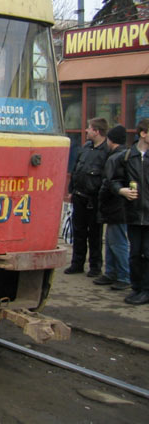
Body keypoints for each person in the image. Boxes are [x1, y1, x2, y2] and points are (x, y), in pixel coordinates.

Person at [65, 117, 109, 276]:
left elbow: (106, 177)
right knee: (79, 233)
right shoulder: (86, 147)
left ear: (97, 131)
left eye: (89, 128)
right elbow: (77, 169)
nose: (86, 131)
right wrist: (71, 190)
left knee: (95, 235)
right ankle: (77, 264)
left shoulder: (106, 152)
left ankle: (95, 267)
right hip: (79, 196)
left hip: (94, 199)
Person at [115, 118, 149, 305]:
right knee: (135, 253)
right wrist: (121, 190)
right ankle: (137, 288)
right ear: (143, 134)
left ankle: (146, 290)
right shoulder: (128, 157)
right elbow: (113, 180)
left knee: (147, 253)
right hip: (134, 213)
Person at [93, 125, 130, 290]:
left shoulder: (115, 158)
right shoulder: (124, 155)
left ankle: (124, 276)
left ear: (110, 139)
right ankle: (111, 272)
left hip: (117, 207)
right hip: (115, 206)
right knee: (110, 241)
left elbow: (109, 182)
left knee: (117, 242)